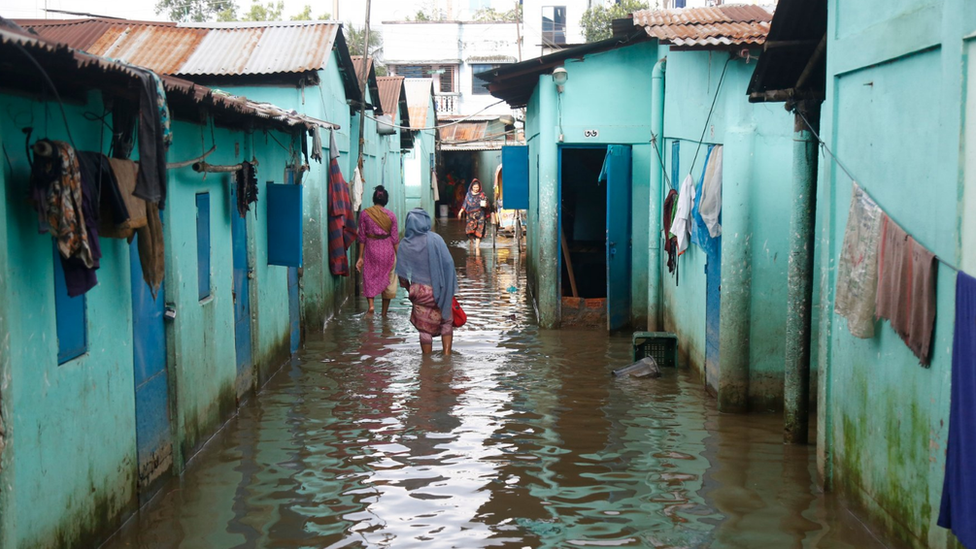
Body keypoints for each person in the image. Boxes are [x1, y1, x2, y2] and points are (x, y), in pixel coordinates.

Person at [397, 209, 458, 355]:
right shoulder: (436, 239)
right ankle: (447, 356)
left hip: (419, 291)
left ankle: (427, 362)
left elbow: (402, 275)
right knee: (446, 321)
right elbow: (449, 264)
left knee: (424, 329)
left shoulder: (405, 244)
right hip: (441, 287)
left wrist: (410, 289)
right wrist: (447, 286)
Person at [356, 186, 399, 315]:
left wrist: (360, 257)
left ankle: (371, 306)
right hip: (387, 251)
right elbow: (395, 239)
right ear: (386, 200)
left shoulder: (365, 214)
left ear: (374, 199)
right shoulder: (391, 216)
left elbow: (362, 237)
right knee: (389, 279)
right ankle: (384, 313)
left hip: (371, 250)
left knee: (369, 277)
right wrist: (401, 257)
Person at [457, 179, 488, 246]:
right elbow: (465, 204)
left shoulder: (482, 195)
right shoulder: (468, 195)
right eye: (474, 187)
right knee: (470, 231)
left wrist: (485, 205)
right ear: (471, 187)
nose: (476, 189)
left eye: (477, 187)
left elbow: (487, 204)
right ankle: (471, 243)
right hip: (470, 216)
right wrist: (460, 212)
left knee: (479, 230)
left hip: (480, 215)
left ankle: (477, 247)